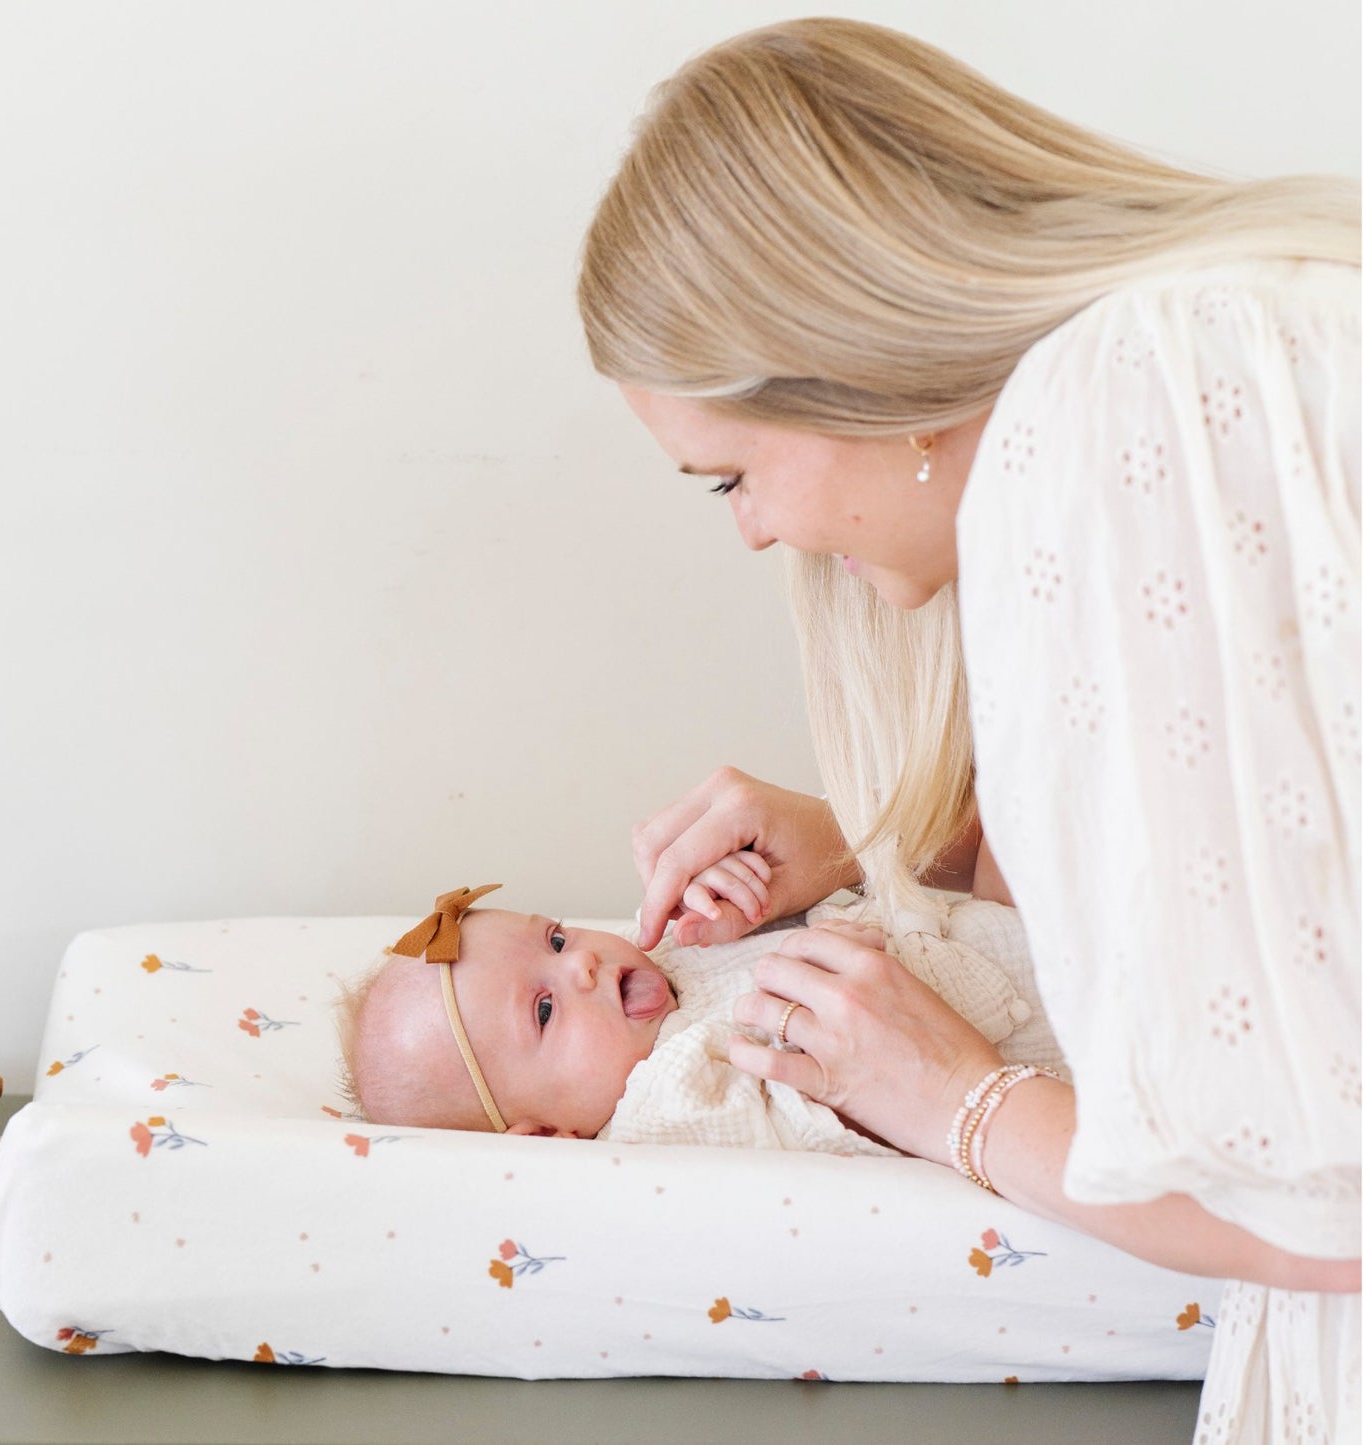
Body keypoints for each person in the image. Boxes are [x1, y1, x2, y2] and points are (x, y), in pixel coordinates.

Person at [575, 17, 1359, 1441]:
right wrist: (895, 848)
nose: (754, 534)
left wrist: (945, 1095)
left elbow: (1319, 1206)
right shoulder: (1240, 336)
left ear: (830, 357)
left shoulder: (1116, 420)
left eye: (727, 479)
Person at [334, 882, 1060, 1153]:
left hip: (1028, 927)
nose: (581, 960)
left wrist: (753, 900)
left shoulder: (670, 959)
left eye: (555, 937)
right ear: (548, 1134)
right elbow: (809, 1115)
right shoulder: (666, 1103)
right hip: (1048, 1043)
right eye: (545, 1008)